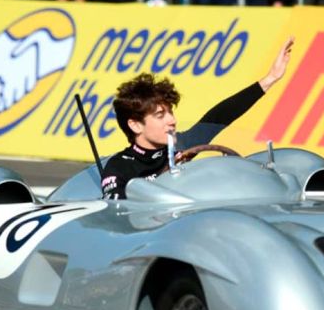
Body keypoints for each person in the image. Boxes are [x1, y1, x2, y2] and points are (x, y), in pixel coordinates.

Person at [101, 36, 294, 200]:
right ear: (135, 125)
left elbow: (220, 116)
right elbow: (118, 218)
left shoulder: (183, 146)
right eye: (160, 115)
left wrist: (270, 79)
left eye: (171, 112)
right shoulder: (119, 167)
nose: (172, 120)